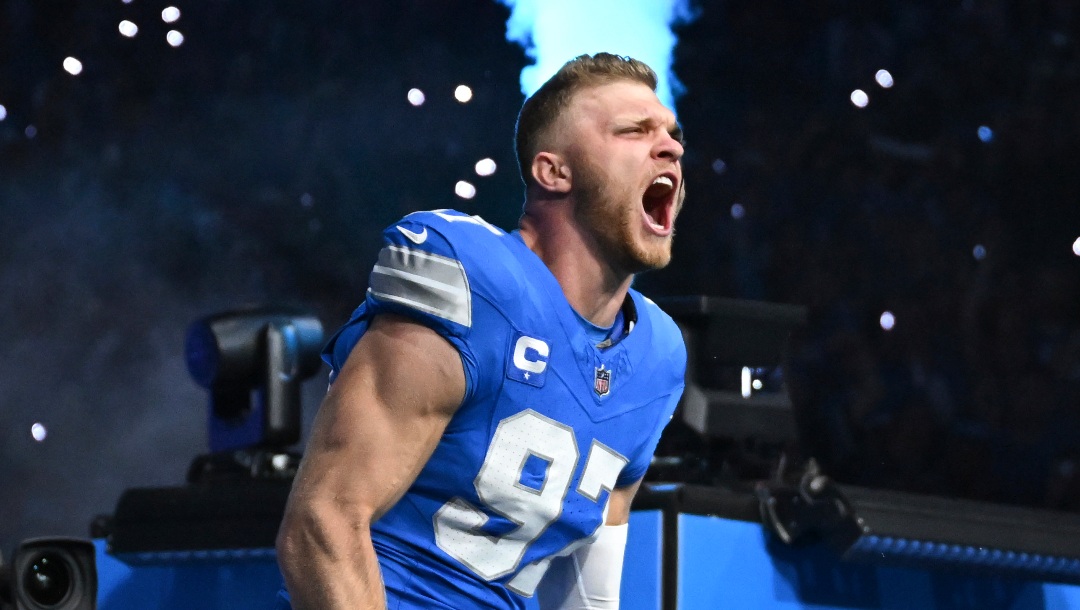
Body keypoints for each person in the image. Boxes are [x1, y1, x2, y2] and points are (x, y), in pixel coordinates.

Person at [276, 52, 687, 610]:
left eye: (671, 132)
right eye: (634, 131)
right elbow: (321, 523)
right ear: (553, 171)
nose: (671, 146)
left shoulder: (656, 354)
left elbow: (588, 593)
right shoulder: (476, 283)